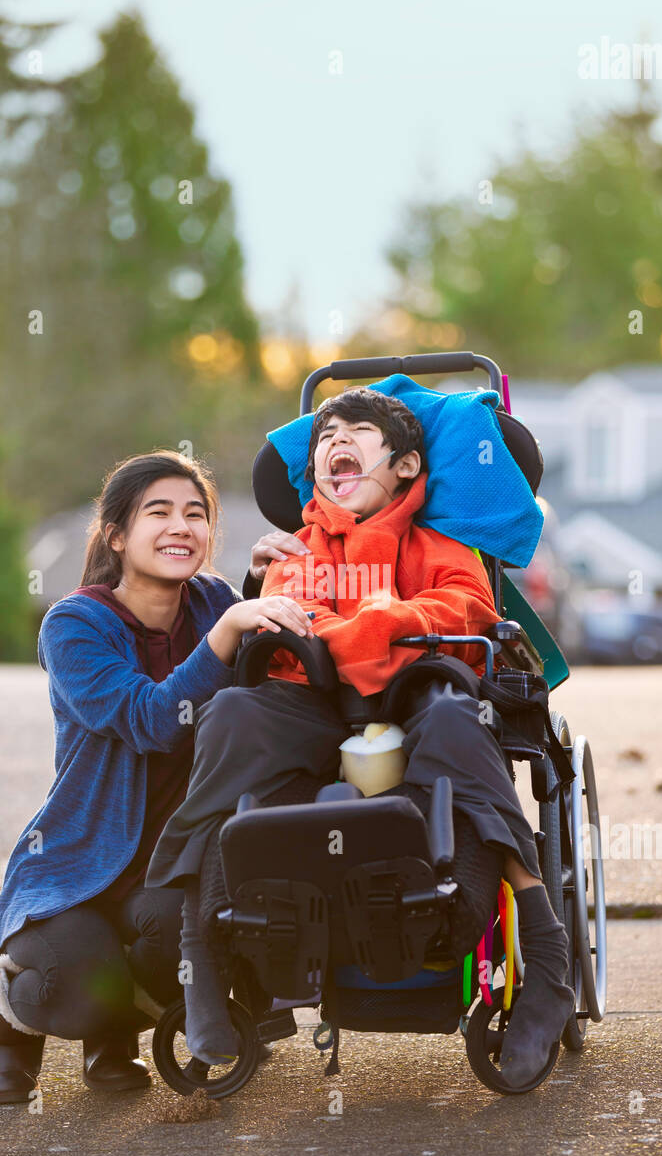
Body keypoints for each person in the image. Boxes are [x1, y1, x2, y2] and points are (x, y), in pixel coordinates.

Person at [147, 390, 574, 1090]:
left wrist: (364, 624)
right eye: (325, 436)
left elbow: (463, 610)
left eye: (357, 433)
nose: (334, 442)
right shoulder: (296, 551)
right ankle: (204, 951)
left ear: (406, 466)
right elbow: (287, 615)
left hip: (420, 701)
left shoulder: (441, 545)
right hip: (310, 703)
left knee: (457, 720)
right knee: (231, 718)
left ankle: (548, 961)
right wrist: (379, 627)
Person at [0, 448, 309, 1104]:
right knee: (74, 984)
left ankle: (113, 1034)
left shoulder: (213, 601)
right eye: (160, 512)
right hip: (76, 868)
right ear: (117, 535)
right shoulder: (74, 625)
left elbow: (242, 681)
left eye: (195, 514)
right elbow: (152, 718)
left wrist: (261, 585)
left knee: (191, 942)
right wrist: (230, 630)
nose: (181, 526)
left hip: (163, 866)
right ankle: (4, 1026)